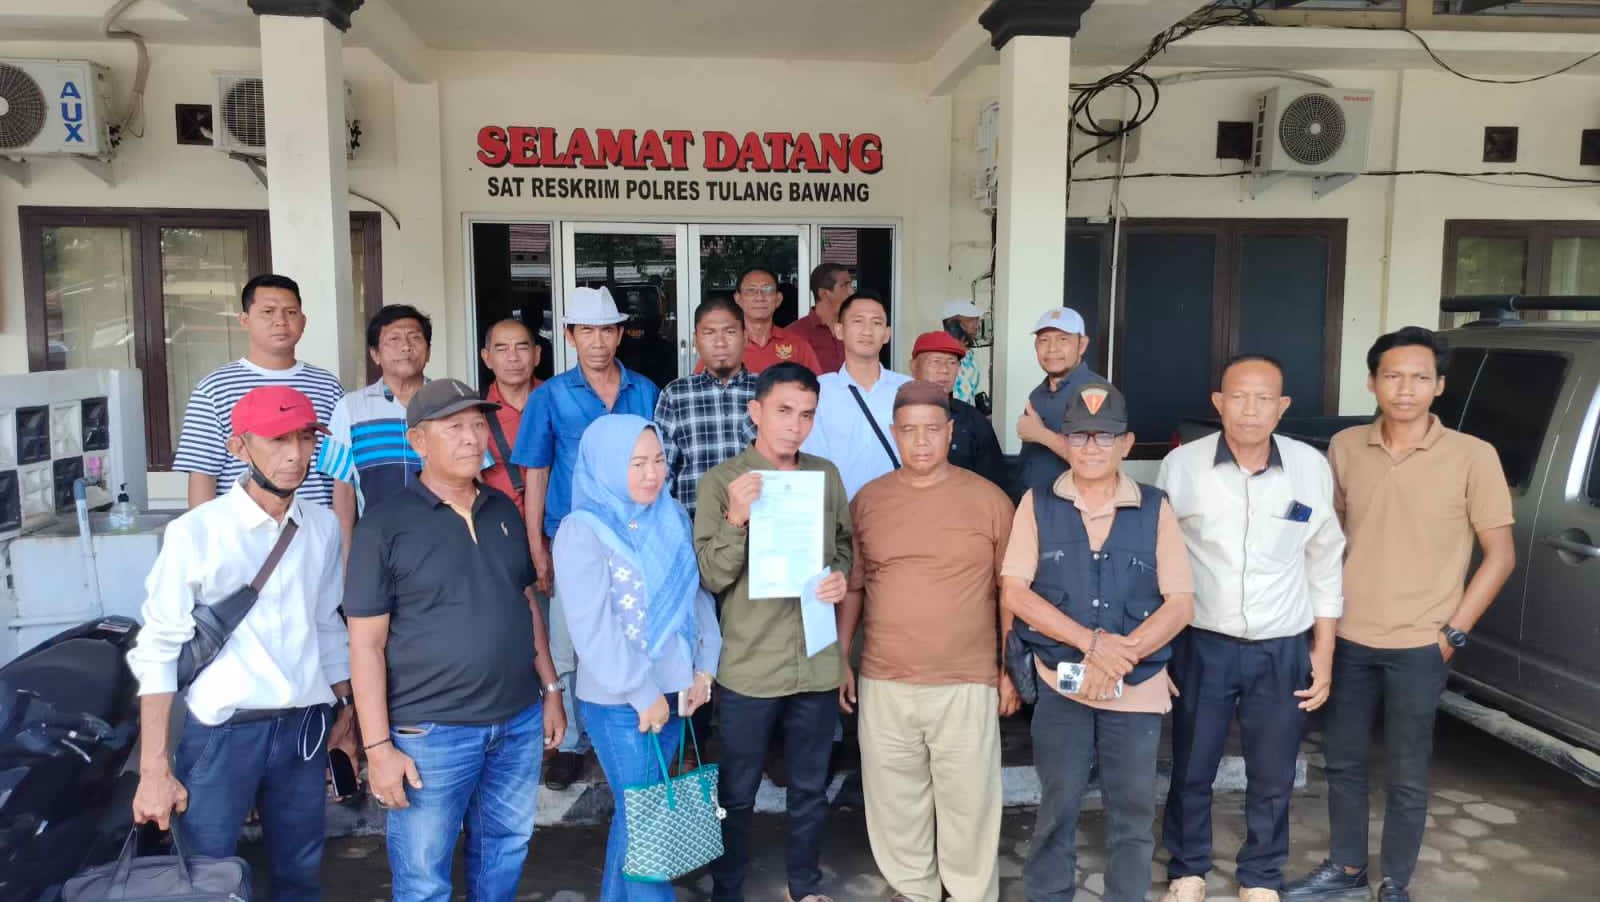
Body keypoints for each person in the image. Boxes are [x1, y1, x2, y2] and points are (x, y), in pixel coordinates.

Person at [1287, 328, 1515, 902]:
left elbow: (1500, 556)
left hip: (1422, 642)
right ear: (1372, 382)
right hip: (1349, 634)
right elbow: (1328, 538)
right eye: (1392, 376)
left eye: (1419, 378)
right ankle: (1346, 870)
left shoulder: (1473, 455)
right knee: (1344, 761)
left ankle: (1396, 882)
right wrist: (1320, 627)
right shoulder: (1345, 447)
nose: (1405, 388)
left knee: (1407, 770)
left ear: (1439, 386)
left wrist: (1453, 631)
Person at [128, 386, 354, 901]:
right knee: (205, 878)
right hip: (222, 734)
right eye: (278, 440)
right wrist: (155, 769)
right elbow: (159, 650)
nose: (296, 454)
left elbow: (326, 625)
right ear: (239, 447)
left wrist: (345, 714)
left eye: (305, 438)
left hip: (303, 728)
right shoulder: (197, 532)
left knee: (300, 876)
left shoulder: (321, 527)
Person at [345, 378, 566, 902]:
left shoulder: (502, 509)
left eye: (478, 424)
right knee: (424, 874)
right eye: (454, 427)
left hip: (516, 721)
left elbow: (524, 601)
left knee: (505, 847)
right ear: (418, 441)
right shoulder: (384, 525)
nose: (472, 437)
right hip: (431, 732)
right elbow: (366, 645)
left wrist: (552, 689)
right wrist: (378, 748)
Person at [1156, 355, 1346, 902]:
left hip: (1281, 647)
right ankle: (1188, 868)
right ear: (1218, 402)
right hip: (1201, 643)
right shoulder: (1182, 466)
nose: (1250, 410)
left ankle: (1261, 874)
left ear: (1282, 407)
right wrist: (1158, 650)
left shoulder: (1310, 466)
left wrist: (1324, 650)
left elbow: (1324, 560)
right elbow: (1159, 559)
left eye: (1264, 399)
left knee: (1273, 771)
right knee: (1193, 764)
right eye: (1238, 396)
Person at [1001, 382, 1195, 902]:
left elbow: (1180, 604)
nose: (1091, 448)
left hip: (1136, 686)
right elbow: (1015, 592)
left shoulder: (1154, 507)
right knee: (1057, 806)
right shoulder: (1037, 503)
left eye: (1104, 437)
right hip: (1060, 682)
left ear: (1126, 444)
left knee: (1132, 813)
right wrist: (1092, 645)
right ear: (1064, 441)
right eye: (1079, 436)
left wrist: (1116, 658)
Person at [839, 380, 1017, 902]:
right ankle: (914, 888)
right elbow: (854, 586)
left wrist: (1009, 668)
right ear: (894, 433)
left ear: (951, 431)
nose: (921, 441)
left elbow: (1011, 592)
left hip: (966, 679)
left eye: (932, 430)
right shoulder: (869, 501)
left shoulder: (989, 500)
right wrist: (841, 658)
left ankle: (967, 892)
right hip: (885, 677)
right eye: (909, 430)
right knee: (895, 797)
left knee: (969, 801)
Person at [694, 362, 854, 902]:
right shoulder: (723, 483)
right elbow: (712, 576)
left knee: (809, 787)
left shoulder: (825, 475)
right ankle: (728, 889)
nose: (795, 425)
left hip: (815, 660)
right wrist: (737, 518)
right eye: (784, 411)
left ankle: (803, 886)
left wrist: (839, 576)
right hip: (750, 664)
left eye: (807, 414)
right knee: (737, 791)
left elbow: (843, 546)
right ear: (755, 411)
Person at [555, 414, 722, 901]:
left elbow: (696, 599)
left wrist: (705, 667)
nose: (652, 474)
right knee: (649, 830)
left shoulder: (671, 515)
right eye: (636, 463)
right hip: (621, 704)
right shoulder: (582, 530)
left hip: (676, 693)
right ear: (607, 466)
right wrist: (642, 691)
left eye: (658, 461)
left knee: (638, 822)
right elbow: (593, 628)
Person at [512, 286, 661, 791]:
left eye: (606, 330)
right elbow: (536, 472)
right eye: (586, 331)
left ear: (620, 334)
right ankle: (572, 742)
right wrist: (537, 546)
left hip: (635, 537)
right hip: (572, 538)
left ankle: (633, 718)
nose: (597, 341)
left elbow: (656, 463)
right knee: (570, 641)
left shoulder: (644, 390)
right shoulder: (550, 396)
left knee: (635, 631)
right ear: (570, 336)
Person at [173, 274, 344, 509]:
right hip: (242, 527)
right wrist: (206, 530)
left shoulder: (328, 386)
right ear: (245, 320)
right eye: (268, 312)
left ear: (303, 321)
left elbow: (340, 473)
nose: (280, 321)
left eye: (290, 312)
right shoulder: (215, 389)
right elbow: (203, 474)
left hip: (314, 525)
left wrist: (338, 528)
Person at [318, 304, 434, 550]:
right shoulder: (350, 408)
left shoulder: (451, 402)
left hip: (444, 543)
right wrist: (347, 557)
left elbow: (475, 477)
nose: (406, 346)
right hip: (379, 546)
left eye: (415, 338)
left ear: (428, 351)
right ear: (375, 354)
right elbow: (343, 490)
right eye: (394, 339)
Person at [800, 289, 913, 499]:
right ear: (839, 330)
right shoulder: (818, 391)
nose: (867, 331)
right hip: (839, 512)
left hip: (899, 508)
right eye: (858, 321)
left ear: (887, 334)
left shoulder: (907, 390)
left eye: (876, 323)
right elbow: (811, 461)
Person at [655, 297, 757, 520]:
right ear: (696, 340)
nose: (720, 342)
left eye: (730, 332)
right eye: (709, 333)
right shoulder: (675, 394)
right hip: (695, 525)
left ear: (745, 336)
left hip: (758, 525)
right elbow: (663, 471)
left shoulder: (766, 392)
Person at [1015, 307, 1104, 495]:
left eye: (1063, 339)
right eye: (1044, 340)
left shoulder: (1097, 392)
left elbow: (1095, 461)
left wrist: (1040, 434)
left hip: (1074, 506)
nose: (1052, 349)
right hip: (1032, 501)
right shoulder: (1037, 395)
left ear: (1082, 345)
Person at [909, 329, 1007, 490]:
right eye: (935, 361)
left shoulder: (974, 421)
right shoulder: (894, 414)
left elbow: (995, 485)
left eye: (952, 362)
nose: (944, 370)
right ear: (913, 366)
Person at [480, 317, 544, 514]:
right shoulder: (475, 410)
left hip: (557, 523)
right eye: (502, 349)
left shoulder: (556, 400)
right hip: (499, 522)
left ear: (537, 355)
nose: (513, 357)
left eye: (522, 348)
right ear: (486, 358)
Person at [731, 266, 823, 374]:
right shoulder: (725, 345)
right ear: (738, 299)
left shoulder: (798, 345)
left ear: (778, 299)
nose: (760, 297)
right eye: (751, 290)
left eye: (767, 290)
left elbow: (815, 383)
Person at [792, 262, 851, 373]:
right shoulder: (795, 334)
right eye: (844, 286)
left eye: (850, 286)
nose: (851, 292)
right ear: (823, 293)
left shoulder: (855, 329)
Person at [940, 299, 984, 405]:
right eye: (971, 320)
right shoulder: (942, 356)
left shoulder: (970, 355)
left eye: (977, 320)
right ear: (954, 324)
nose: (977, 326)